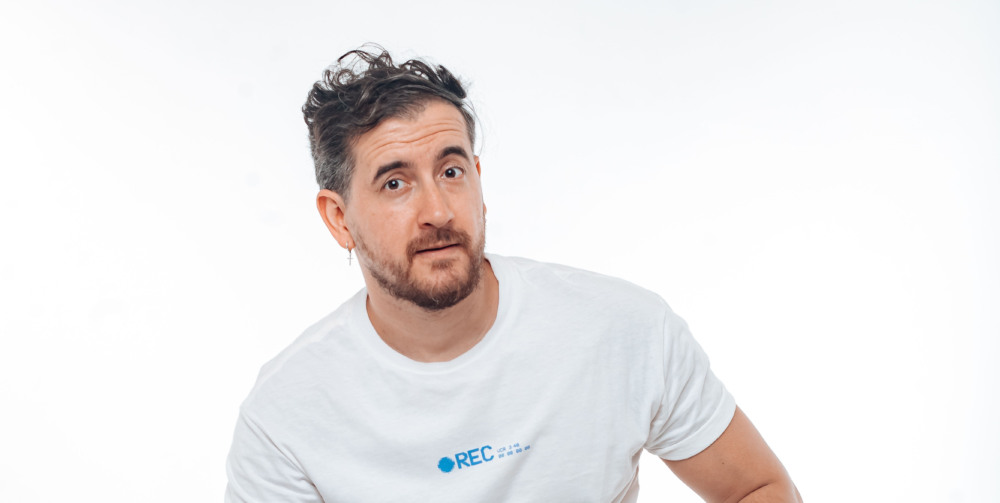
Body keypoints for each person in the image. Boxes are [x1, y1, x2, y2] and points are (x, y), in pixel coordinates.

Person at [225, 46, 802, 503]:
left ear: (478, 180)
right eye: (395, 183)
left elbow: (758, 489)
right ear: (338, 218)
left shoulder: (626, 330)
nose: (438, 211)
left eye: (451, 171)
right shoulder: (285, 415)